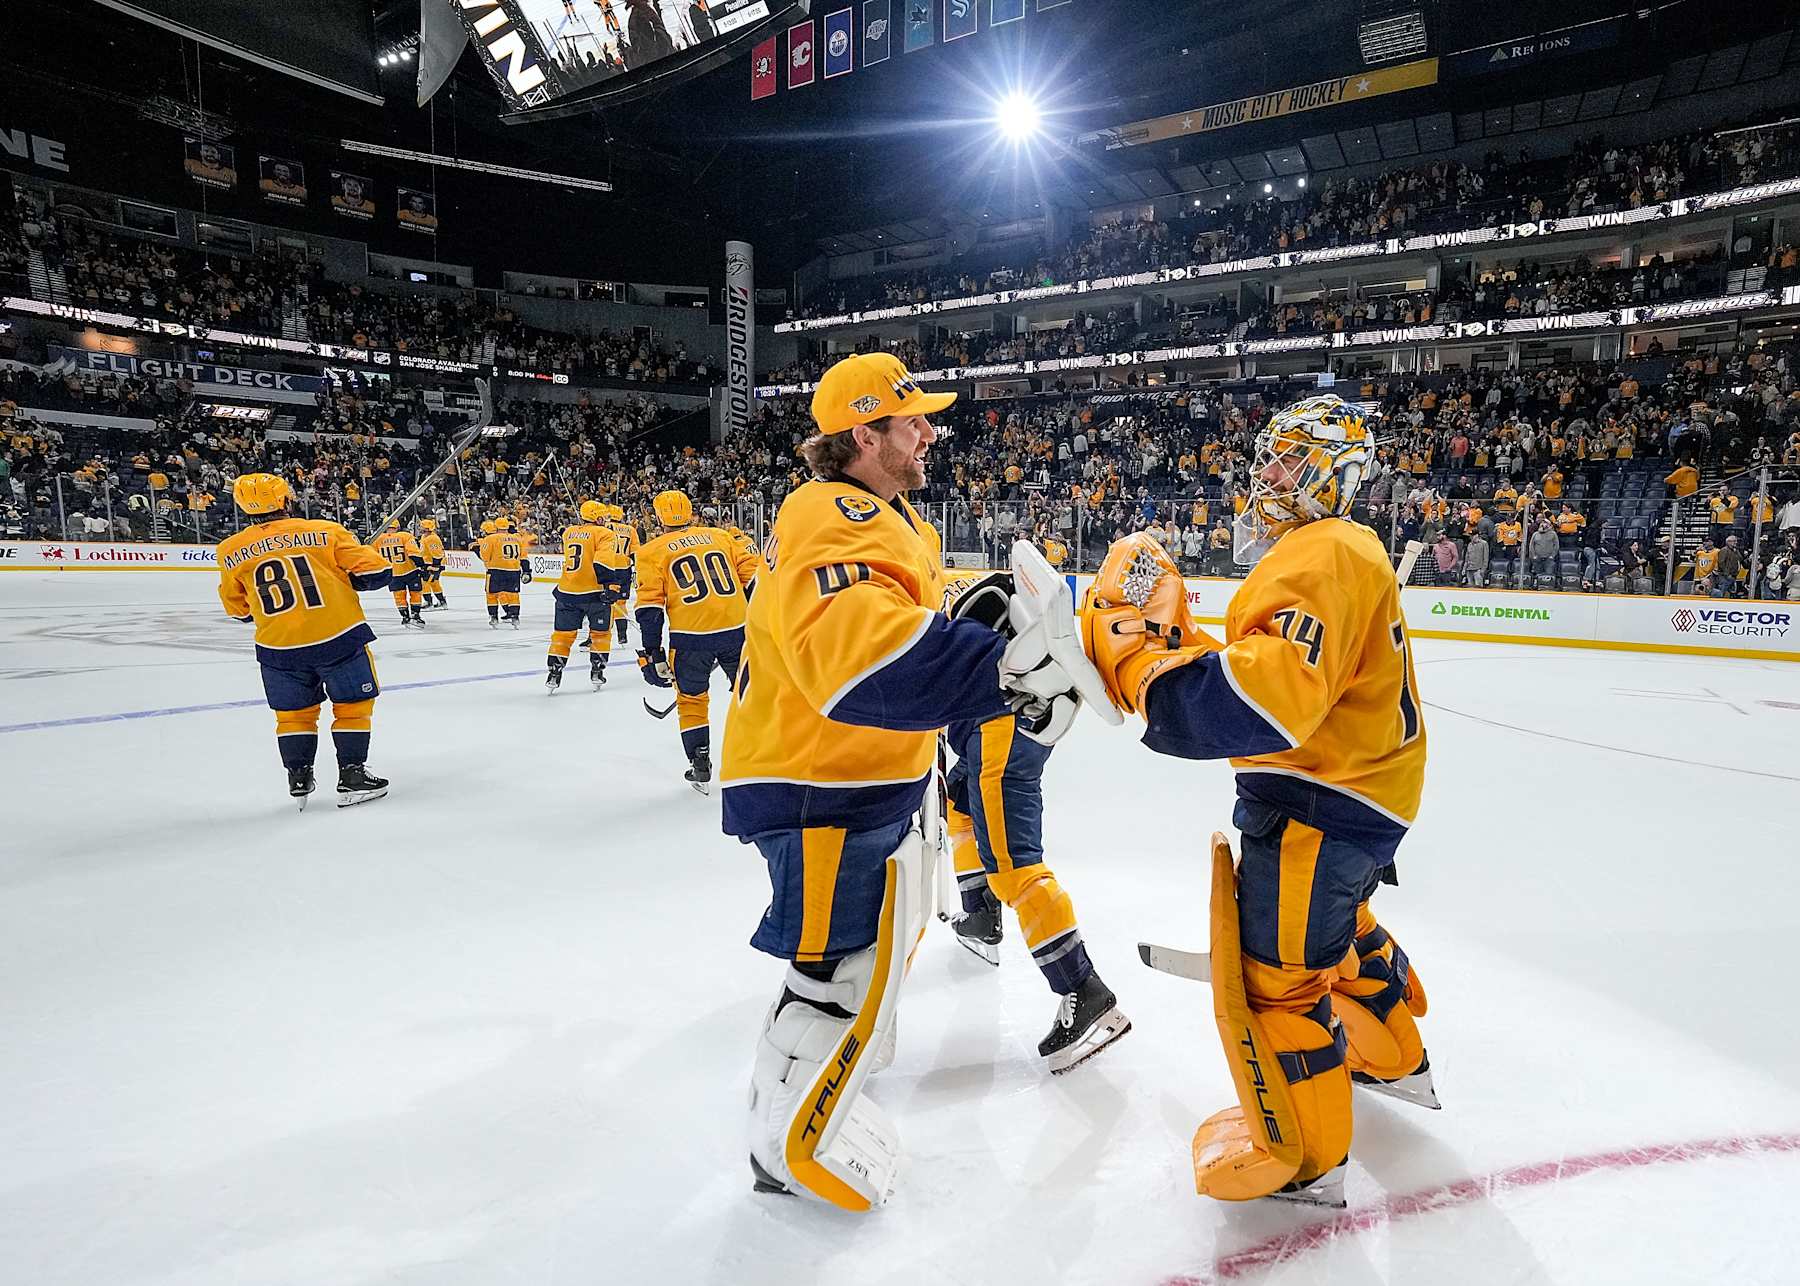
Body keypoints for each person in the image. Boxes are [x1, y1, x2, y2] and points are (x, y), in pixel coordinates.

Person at [724, 353, 1096, 1211]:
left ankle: (796, 1117)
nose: (929, 430)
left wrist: (974, 608)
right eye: (911, 419)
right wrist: (1001, 665)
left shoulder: (879, 519)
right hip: (817, 781)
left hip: (848, 774)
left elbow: (898, 612)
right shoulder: (834, 511)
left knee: (860, 962)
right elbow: (855, 655)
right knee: (834, 974)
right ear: (864, 434)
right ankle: (783, 1150)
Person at [1080, 394, 1433, 1209]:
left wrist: (1142, 667)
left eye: (1287, 461)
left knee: (1280, 982)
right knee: (1330, 942)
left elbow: (1269, 701)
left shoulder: (1329, 551)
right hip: (1353, 797)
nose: (1265, 475)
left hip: (1322, 805)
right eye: (1267, 458)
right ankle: (1393, 1057)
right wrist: (1178, 649)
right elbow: (1270, 671)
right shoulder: (1336, 551)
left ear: (1333, 475)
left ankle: (1305, 1158)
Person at [942, 580, 1130, 1071]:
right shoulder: (1006, 606)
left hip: (999, 737)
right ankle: (979, 912)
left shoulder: (977, 615)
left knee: (1017, 870)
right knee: (957, 804)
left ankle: (1082, 989)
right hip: (1001, 733)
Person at [216, 473, 393, 807]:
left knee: (293, 715)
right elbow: (377, 573)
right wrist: (347, 576)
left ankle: (298, 777)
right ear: (286, 500)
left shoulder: (230, 550)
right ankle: (352, 775)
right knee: (352, 707)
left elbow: (238, 610)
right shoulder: (325, 531)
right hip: (338, 637)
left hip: (278, 648)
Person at [634, 488, 759, 790]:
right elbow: (754, 579)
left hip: (690, 639)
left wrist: (652, 653)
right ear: (690, 511)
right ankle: (770, 756)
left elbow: (650, 607)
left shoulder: (650, 552)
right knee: (756, 692)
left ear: (658, 516)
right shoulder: (721, 537)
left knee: (691, 701)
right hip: (737, 630)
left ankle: (699, 762)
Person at [545, 500, 628, 694]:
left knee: (562, 636)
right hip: (593, 594)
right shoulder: (605, 533)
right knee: (600, 634)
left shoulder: (569, 532)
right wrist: (611, 586)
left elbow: (566, 533)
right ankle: (597, 671)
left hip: (567, 592)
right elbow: (602, 562)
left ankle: (554, 672)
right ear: (597, 517)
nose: (606, 519)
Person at [477, 516, 531, 627]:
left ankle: (493, 617)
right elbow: (524, 557)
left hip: (496, 571)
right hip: (514, 570)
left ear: (495, 527)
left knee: (491, 594)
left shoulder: (491, 538)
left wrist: (477, 548)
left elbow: (484, 557)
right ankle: (515, 617)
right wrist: (526, 570)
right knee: (513, 595)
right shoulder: (517, 538)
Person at [373, 518, 426, 629]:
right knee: (415, 593)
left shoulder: (377, 539)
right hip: (409, 571)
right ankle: (415, 615)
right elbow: (413, 554)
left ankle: (405, 617)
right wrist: (422, 566)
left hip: (392, 573)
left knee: (399, 596)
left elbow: (371, 555)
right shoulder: (405, 536)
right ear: (397, 526)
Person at [419, 518, 448, 609]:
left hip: (433, 564)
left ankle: (428, 602)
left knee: (425, 582)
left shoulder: (431, 538)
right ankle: (442, 602)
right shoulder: (425, 537)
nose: (420, 528)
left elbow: (437, 554)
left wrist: (435, 566)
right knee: (434, 582)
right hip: (429, 562)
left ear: (427, 528)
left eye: (422, 526)